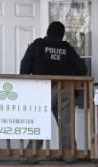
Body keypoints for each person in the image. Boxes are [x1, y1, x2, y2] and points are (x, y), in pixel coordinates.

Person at [19, 21, 88, 157]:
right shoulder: (66, 48)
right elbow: (82, 69)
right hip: (65, 89)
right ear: (62, 35)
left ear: (47, 32)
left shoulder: (37, 45)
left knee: (38, 123)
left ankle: (31, 153)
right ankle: (69, 154)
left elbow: (24, 67)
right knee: (67, 125)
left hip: (41, 89)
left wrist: (28, 86)